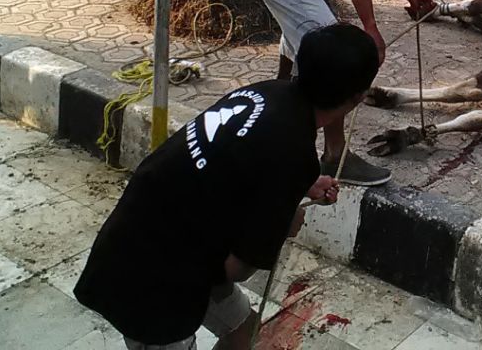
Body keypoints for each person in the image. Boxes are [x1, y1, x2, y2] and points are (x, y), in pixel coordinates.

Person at [75, 23, 377, 350]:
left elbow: (242, 163)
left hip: (137, 232)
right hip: (150, 281)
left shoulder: (267, 92)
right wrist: (285, 225)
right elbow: (235, 269)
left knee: (242, 330)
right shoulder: (292, 151)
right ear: (358, 97)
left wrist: (303, 185)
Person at [246, 0, 477, 186]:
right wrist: (370, 27)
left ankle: (275, 109)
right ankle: (333, 156)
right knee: (335, 57)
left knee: (308, 35)